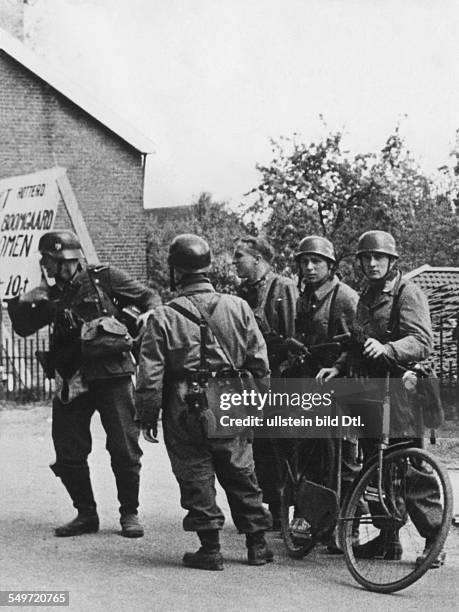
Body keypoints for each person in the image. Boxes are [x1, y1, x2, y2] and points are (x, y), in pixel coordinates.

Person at [7, 230, 160, 538]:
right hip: (72, 377)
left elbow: (148, 296)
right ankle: (86, 513)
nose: (44, 265)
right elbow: (23, 328)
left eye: (46, 259)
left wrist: (147, 317)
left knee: (124, 446)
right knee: (68, 450)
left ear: (62, 259)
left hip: (111, 373)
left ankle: (129, 513)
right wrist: (26, 299)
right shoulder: (49, 292)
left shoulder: (103, 277)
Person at [136, 234, 272, 571]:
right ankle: (257, 545)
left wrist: (147, 416)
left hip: (184, 403)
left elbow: (149, 375)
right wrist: (260, 402)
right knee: (240, 470)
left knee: (194, 471)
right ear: (208, 267)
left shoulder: (163, 317)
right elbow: (259, 361)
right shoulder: (237, 306)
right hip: (230, 397)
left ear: (176, 270)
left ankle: (210, 548)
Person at [317, 229, 445, 566]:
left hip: (403, 388)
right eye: (367, 258)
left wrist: (390, 348)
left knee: (412, 467)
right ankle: (389, 541)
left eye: (379, 258)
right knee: (376, 466)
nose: (373, 263)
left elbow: (421, 341)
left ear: (391, 261)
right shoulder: (367, 295)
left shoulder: (407, 293)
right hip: (372, 390)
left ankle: (434, 542)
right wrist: (339, 367)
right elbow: (359, 341)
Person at [293, 235, 359, 551]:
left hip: (342, 386)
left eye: (316, 261)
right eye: (304, 261)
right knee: (311, 454)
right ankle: (314, 519)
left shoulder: (344, 297)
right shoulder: (305, 297)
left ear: (330, 266)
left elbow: (354, 344)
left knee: (345, 459)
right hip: (312, 386)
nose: (309, 267)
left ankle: (350, 527)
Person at [232, 236, 297, 529]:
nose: (235, 263)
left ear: (258, 259)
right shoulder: (243, 292)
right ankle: (273, 508)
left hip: (281, 380)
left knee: (282, 448)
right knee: (260, 450)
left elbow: (294, 337)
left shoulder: (283, 288)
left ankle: (289, 512)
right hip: (254, 382)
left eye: (240, 257)